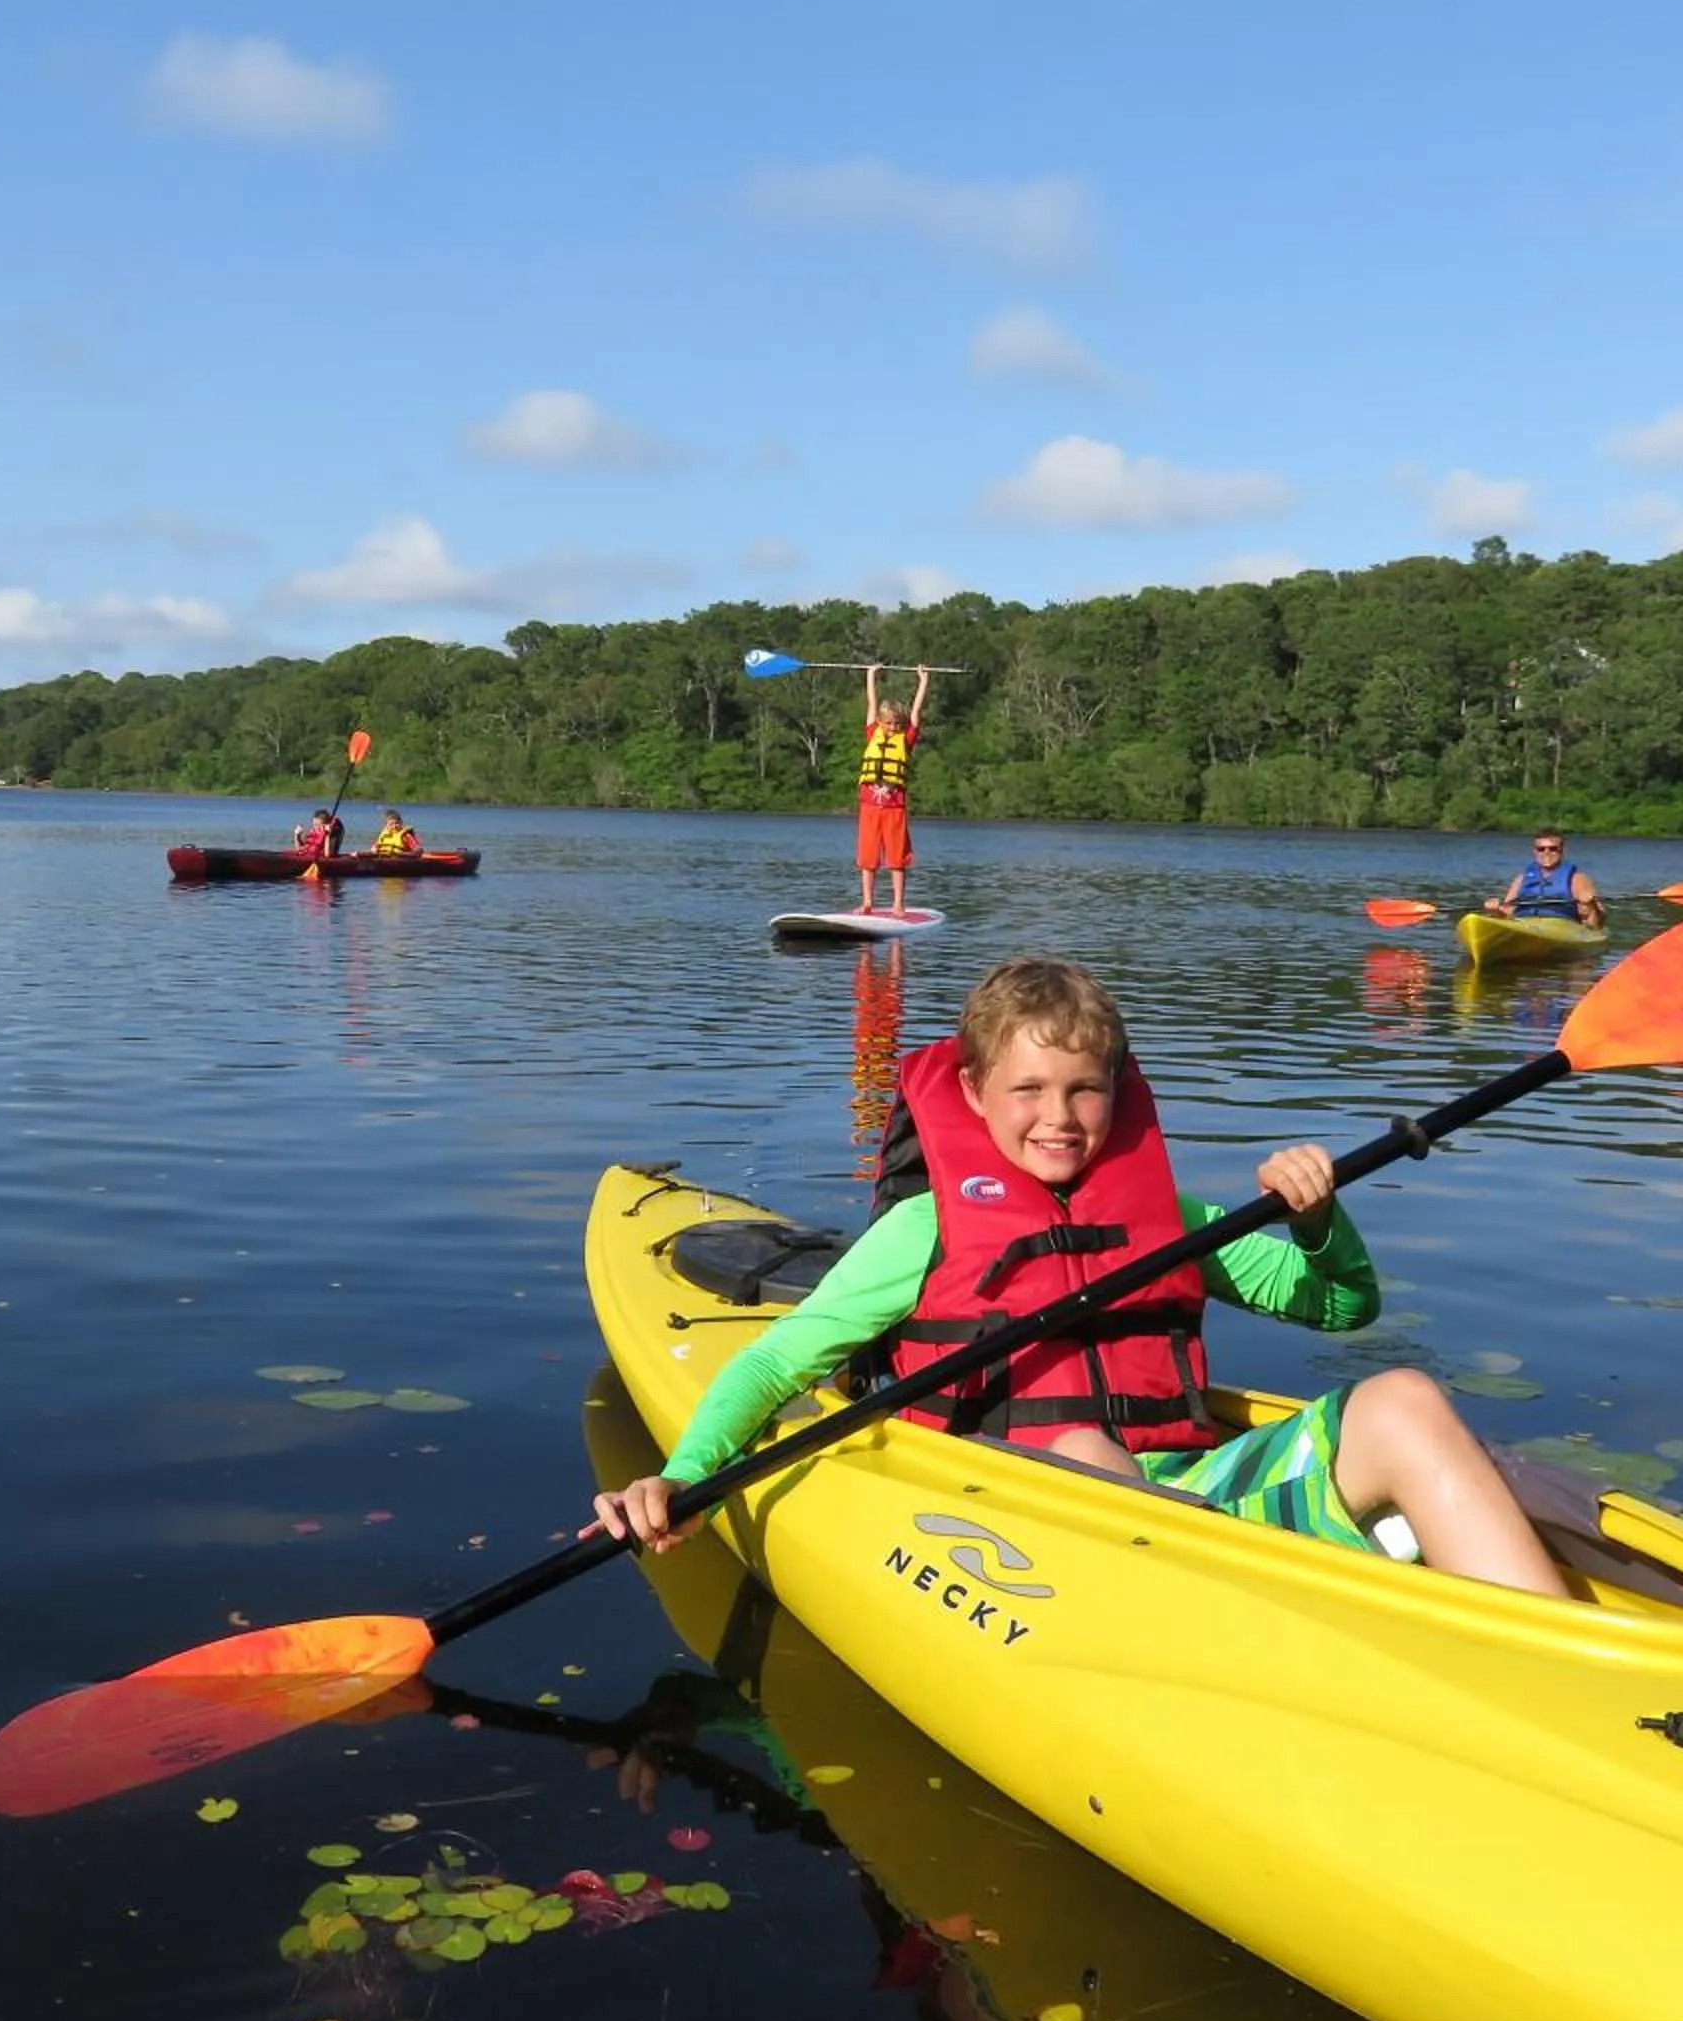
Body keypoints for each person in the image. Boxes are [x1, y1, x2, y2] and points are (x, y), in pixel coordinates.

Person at [587, 957, 1565, 1597]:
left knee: (1401, 1398)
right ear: (974, 1095)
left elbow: (1345, 1308)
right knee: (1089, 1442)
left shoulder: (1169, 1223)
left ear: (1117, 1092)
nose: (1059, 1116)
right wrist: (684, 1478)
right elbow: (773, 1369)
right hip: (1014, 1505)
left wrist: (1320, 1225)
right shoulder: (924, 1231)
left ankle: (1556, 1650)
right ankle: (1286, 1599)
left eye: (1085, 1089)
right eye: (1029, 1090)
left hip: (1176, 1493)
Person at [855, 661, 931, 916]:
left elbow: (916, 713)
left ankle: (898, 904)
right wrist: (870, 677)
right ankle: (867, 902)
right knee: (868, 857)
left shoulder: (906, 739)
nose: (892, 727)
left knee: (897, 859)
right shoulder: (871, 733)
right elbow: (871, 705)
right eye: (887, 723)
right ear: (880, 722)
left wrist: (923, 682)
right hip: (869, 808)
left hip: (894, 809)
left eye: (896, 724)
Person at [1484, 829, 1601, 924]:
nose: (1547, 853)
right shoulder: (1521, 879)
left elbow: (1595, 925)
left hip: (1561, 926)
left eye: (1553, 849)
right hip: (1524, 923)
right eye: (1541, 849)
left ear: (1562, 850)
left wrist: (1592, 906)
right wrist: (1495, 910)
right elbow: (1507, 913)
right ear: (1534, 851)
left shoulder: (1578, 879)